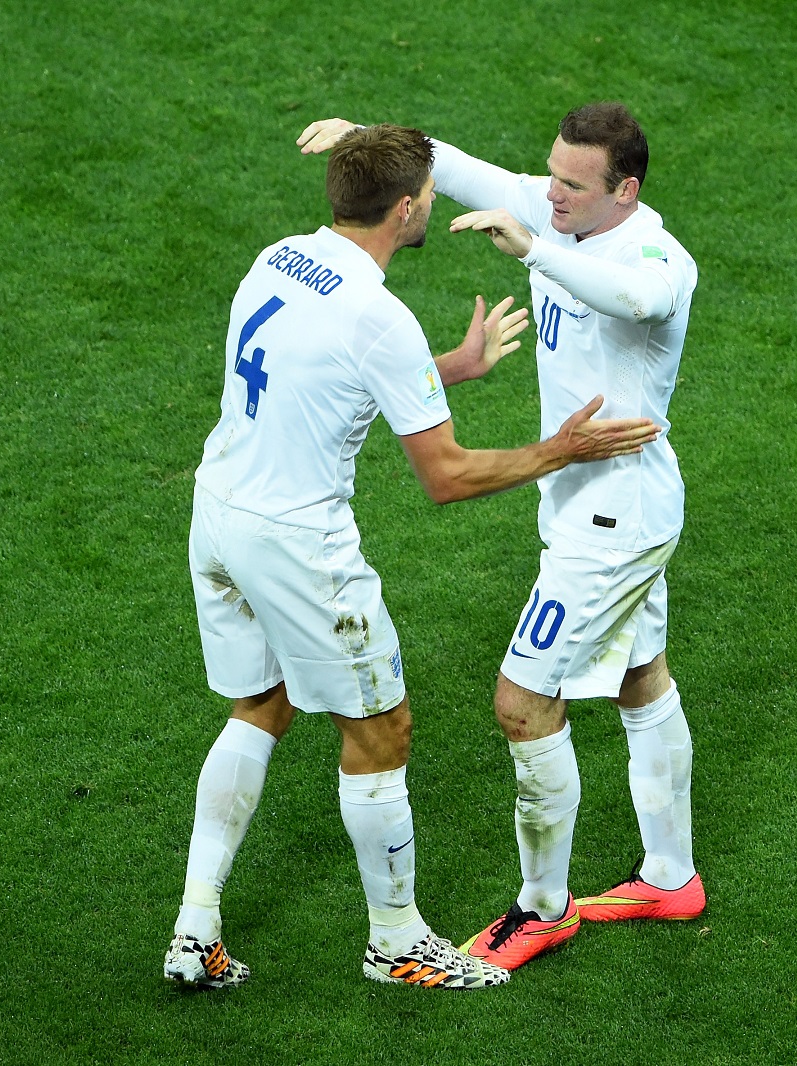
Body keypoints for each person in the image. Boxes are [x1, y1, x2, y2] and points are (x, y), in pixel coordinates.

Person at [166, 123, 662, 992]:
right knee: (381, 730)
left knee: (263, 703)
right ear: (406, 208)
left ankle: (194, 927)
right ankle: (397, 945)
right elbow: (447, 476)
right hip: (299, 544)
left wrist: (452, 370)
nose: (435, 201)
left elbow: (318, 373)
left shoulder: (279, 256)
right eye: (428, 193)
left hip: (218, 514)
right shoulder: (377, 313)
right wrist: (559, 452)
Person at [298, 104, 702, 973]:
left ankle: (541, 909)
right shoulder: (557, 205)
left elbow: (638, 298)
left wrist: (535, 251)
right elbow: (460, 164)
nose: (549, 191)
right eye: (551, 172)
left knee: (522, 703)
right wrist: (366, 138)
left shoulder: (654, 256)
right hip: (586, 506)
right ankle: (671, 876)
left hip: (614, 521)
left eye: (572, 182)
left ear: (623, 190)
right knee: (640, 678)